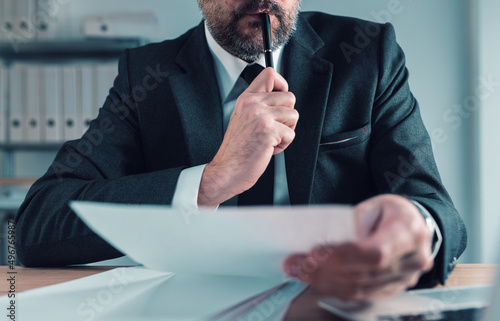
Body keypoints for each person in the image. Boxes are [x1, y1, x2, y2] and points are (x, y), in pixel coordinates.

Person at [15, 0, 466, 301]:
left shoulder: (370, 53)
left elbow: (434, 208)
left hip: (334, 309)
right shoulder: (145, 75)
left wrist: (417, 229)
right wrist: (210, 182)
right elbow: (37, 224)